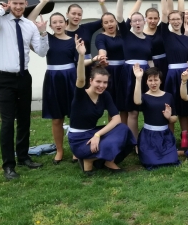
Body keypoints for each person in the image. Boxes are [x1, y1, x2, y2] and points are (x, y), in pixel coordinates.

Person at [0, 0, 49, 180]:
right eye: (15, 3)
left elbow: (41, 52)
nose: (19, 7)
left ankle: (23, 157)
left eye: (22, 3)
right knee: (7, 122)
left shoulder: (29, 25)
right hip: (4, 79)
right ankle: (8, 165)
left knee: (24, 119)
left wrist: (43, 32)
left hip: (23, 77)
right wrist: (0, 9)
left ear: (26, 3)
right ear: (9, 3)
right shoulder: (1, 21)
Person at [68, 36, 135, 175]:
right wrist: (81, 55)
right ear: (91, 81)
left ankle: (105, 160)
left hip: (93, 133)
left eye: (105, 83)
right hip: (79, 140)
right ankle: (89, 159)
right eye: (98, 82)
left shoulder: (105, 95)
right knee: (112, 141)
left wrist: (98, 134)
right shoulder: (81, 94)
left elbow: (116, 119)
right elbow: (80, 77)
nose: (102, 85)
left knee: (122, 128)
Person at [27, 0, 109, 82]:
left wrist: (102, 3)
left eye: (79, 14)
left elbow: (106, 19)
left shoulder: (87, 28)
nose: (76, 16)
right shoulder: (58, 34)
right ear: (67, 15)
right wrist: (43, 2)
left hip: (87, 66)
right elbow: (29, 22)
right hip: (69, 71)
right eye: (73, 14)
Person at [42, 12, 81, 164]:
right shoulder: (47, 39)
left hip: (71, 79)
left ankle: (75, 150)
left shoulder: (74, 41)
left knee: (74, 117)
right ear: (50, 25)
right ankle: (59, 150)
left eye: (60, 22)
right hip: (53, 79)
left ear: (65, 23)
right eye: (54, 22)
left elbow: (80, 63)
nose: (58, 25)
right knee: (57, 118)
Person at [115, 0, 154, 140]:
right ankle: (134, 142)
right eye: (134, 21)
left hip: (146, 74)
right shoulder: (125, 35)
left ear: (144, 22)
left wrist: (155, 75)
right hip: (129, 74)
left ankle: (149, 137)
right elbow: (118, 15)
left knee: (148, 107)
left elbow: (150, 60)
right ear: (130, 23)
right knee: (132, 110)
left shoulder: (149, 40)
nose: (137, 23)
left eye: (140, 20)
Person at [133, 66, 180, 169]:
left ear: (161, 81)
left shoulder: (168, 96)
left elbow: (175, 118)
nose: (153, 83)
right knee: (152, 162)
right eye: (150, 80)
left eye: (156, 80)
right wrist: (138, 78)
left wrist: (168, 117)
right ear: (146, 82)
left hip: (165, 136)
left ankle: (172, 152)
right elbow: (136, 101)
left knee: (172, 161)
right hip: (148, 137)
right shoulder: (144, 97)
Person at [161, 9, 188, 148]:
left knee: (184, 106)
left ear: (182, 20)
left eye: (178, 19)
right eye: (172, 19)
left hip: (185, 74)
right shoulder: (166, 35)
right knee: (171, 105)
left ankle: (185, 137)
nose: (175, 21)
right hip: (172, 74)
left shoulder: (186, 38)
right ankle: (169, 138)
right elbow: (163, 14)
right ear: (169, 21)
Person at [95, 12, 125, 110]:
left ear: (116, 21)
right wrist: (102, 57)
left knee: (124, 103)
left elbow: (131, 16)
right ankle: (113, 124)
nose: (110, 24)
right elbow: (102, 50)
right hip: (111, 71)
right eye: (106, 22)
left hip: (125, 70)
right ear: (102, 25)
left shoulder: (123, 34)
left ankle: (124, 125)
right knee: (112, 104)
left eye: (112, 21)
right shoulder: (100, 37)